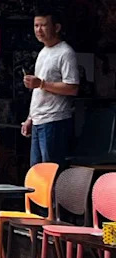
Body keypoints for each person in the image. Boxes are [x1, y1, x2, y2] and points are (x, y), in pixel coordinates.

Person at [22, 10, 79, 166]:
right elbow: (38, 92)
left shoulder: (65, 53)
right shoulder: (43, 52)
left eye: (43, 25)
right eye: (36, 26)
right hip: (38, 120)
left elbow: (72, 87)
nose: (38, 30)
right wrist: (30, 118)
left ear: (57, 27)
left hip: (55, 120)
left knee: (50, 171)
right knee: (36, 171)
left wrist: (41, 84)